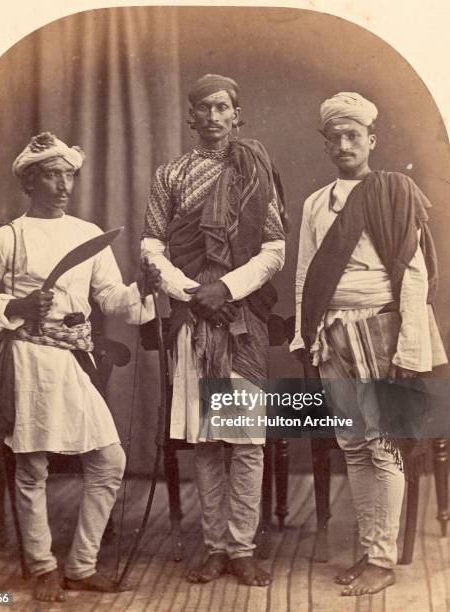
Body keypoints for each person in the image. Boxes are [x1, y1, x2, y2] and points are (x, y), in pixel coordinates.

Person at [0, 132, 161, 603]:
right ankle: (44, 566)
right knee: (31, 468)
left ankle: (82, 566)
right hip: (26, 358)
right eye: (52, 174)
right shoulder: (7, 236)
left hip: (73, 361)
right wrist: (18, 305)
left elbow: (110, 299)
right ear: (30, 181)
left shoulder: (87, 235)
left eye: (69, 173)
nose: (64, 183)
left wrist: (142, 290)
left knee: (109, 462)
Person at [290, 93, 446, 596]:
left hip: (382, 330)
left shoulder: (394, 192)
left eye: (353, 135)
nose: (343, 144)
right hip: (332, 334)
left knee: (383, 450)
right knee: (353, 449)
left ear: (372, 140)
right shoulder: (317, 202)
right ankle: (369, 549)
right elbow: (306, 278)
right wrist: (304, 332)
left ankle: (382, 559)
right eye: (334, 137)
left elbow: (415, 275)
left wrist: (408, 347)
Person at [141, 74, 287, 586]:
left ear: (236, 113)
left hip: (239, 318)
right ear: (191, 117)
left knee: (245, 441)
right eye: (203, 108)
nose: (213, 116)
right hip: (192, 319)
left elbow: (274, 247)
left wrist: (225, 289)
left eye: (222, 106)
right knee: (207, 439)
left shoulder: (254, 172)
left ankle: (243, 548)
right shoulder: (172, 174)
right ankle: (215, 547)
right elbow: (152, 245)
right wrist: (191, 293)